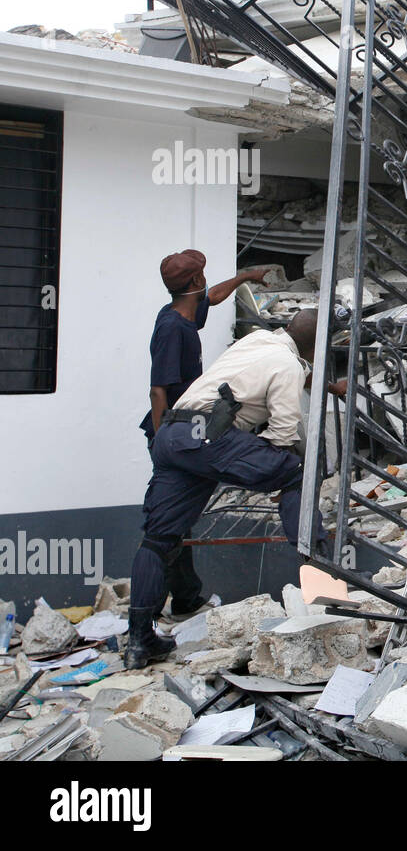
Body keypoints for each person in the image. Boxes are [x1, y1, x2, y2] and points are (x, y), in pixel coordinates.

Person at [125, 309, 346, 669]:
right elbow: (283, 434)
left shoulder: (258, 340)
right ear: (318, 347)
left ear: (286, 327)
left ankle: (138, 641)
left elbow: (288, 367)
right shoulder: (289, 367)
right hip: (210, 438)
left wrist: (328, 386)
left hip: (174, 434)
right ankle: (321, 567)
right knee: (295, 471)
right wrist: (274, 475)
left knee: (157, 538)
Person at [139, 250, 270, 618]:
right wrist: (165, 439)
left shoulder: (177, 312)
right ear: (194, 281)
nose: (207, 283)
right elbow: (158, 391)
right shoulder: (171, 329)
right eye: (203, 276)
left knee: (178, 517)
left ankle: (185, 597)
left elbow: (211, 297)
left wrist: (245, 276)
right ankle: (156, 608)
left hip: (181, 433)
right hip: (172, 434)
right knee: (166, 521)